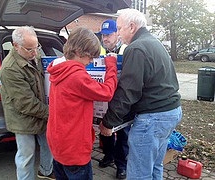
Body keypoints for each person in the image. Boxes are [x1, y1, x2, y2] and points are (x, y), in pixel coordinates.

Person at [100, 9, 182, 180]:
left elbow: (128, 92)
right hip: (170, 112)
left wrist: (108, 123)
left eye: (120, 29)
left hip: (153, 118)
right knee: (155, 166)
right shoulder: (153, 42)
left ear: (132, 27)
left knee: (139, 173)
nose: (119, 34)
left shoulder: (136, 48)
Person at [46, 27, 118, 180]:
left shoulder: (58, 69)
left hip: (58, 143)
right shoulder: (77, 76)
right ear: (79, 52)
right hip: (74, 148)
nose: (90, 62)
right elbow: (106, 92)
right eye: (90, 57)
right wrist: (111, 66)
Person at [0, 26, 55, 180]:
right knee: (26, 155)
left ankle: (46, 170)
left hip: (41, 112)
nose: (35, 53)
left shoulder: (32, 56)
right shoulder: (10, 69)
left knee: (48, 144)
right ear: (15, 46)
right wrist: (53, 113)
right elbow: (25, 103)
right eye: (30, 49)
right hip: (23, 119)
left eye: (37, 47)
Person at [98, 19, 129, 179]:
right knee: (104, 131)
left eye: (109, 35)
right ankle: (108, 156)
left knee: (123, 134)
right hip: (104, 99)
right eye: (103, 35)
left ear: (117, 33)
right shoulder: (99, 51)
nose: (105, 38)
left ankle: (121, 165)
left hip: (122, 100)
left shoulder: (127, 50)